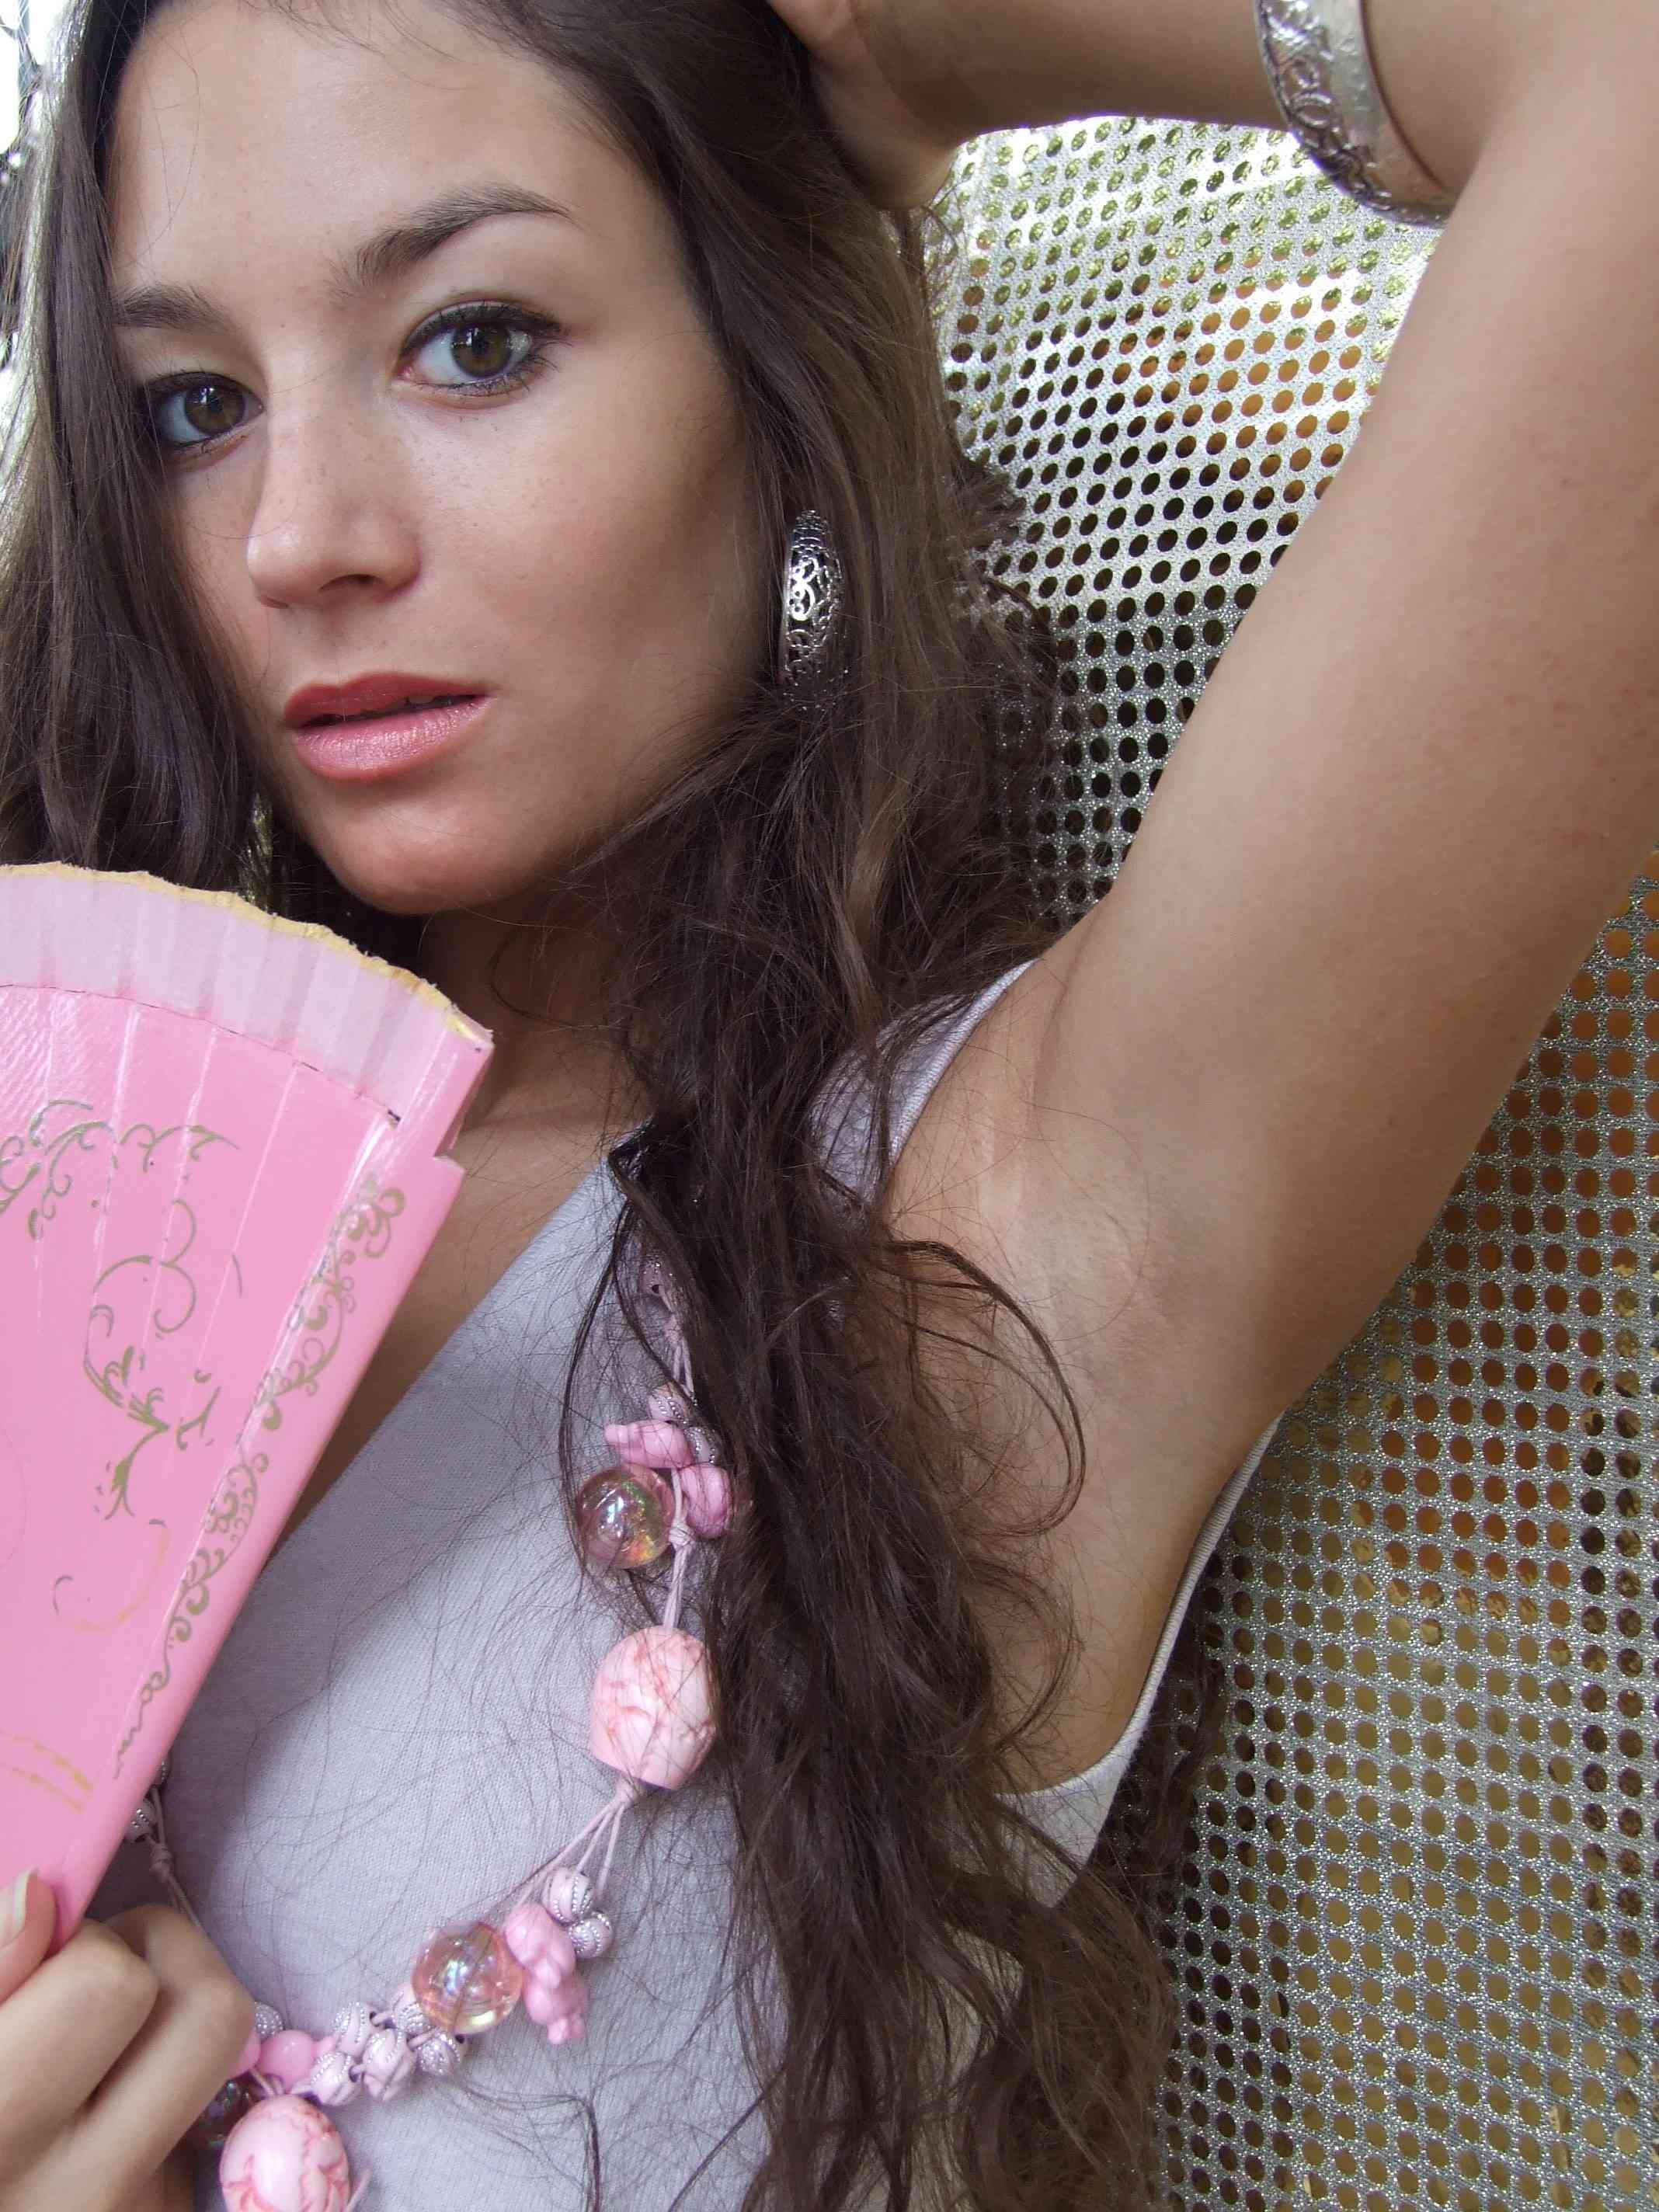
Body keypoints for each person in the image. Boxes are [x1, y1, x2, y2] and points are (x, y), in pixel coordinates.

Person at [1, 0, 1655, 2206]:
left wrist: (933, 44)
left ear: (774, 374)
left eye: (476, 341)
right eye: (194, 406)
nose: (300, 535)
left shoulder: (998, 1223)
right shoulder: (80, 1171)